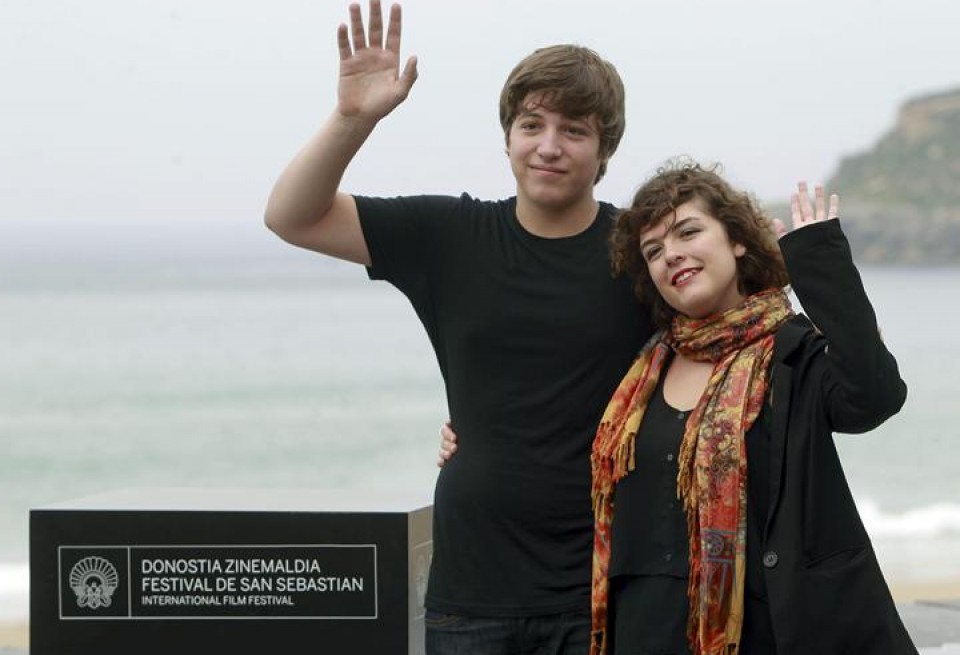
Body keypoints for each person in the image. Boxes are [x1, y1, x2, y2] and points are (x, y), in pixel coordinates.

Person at [263, 1, 653, 651]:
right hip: (473, 593)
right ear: (507, 136)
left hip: (604, 590)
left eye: (574, 129)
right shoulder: (449, 236)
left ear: (605, 147)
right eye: (532, 124)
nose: (549, 146)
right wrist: (351, 119)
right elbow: (292, 216)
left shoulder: (639, 250)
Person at [589, 162, 916, 654]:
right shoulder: (643, 370)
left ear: (737, 240)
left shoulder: (794, 352)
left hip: (765, 635)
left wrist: (821, 267)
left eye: (688, 231)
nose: (670, 254)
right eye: (653, 251)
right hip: (645, 633)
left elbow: (873, 397)